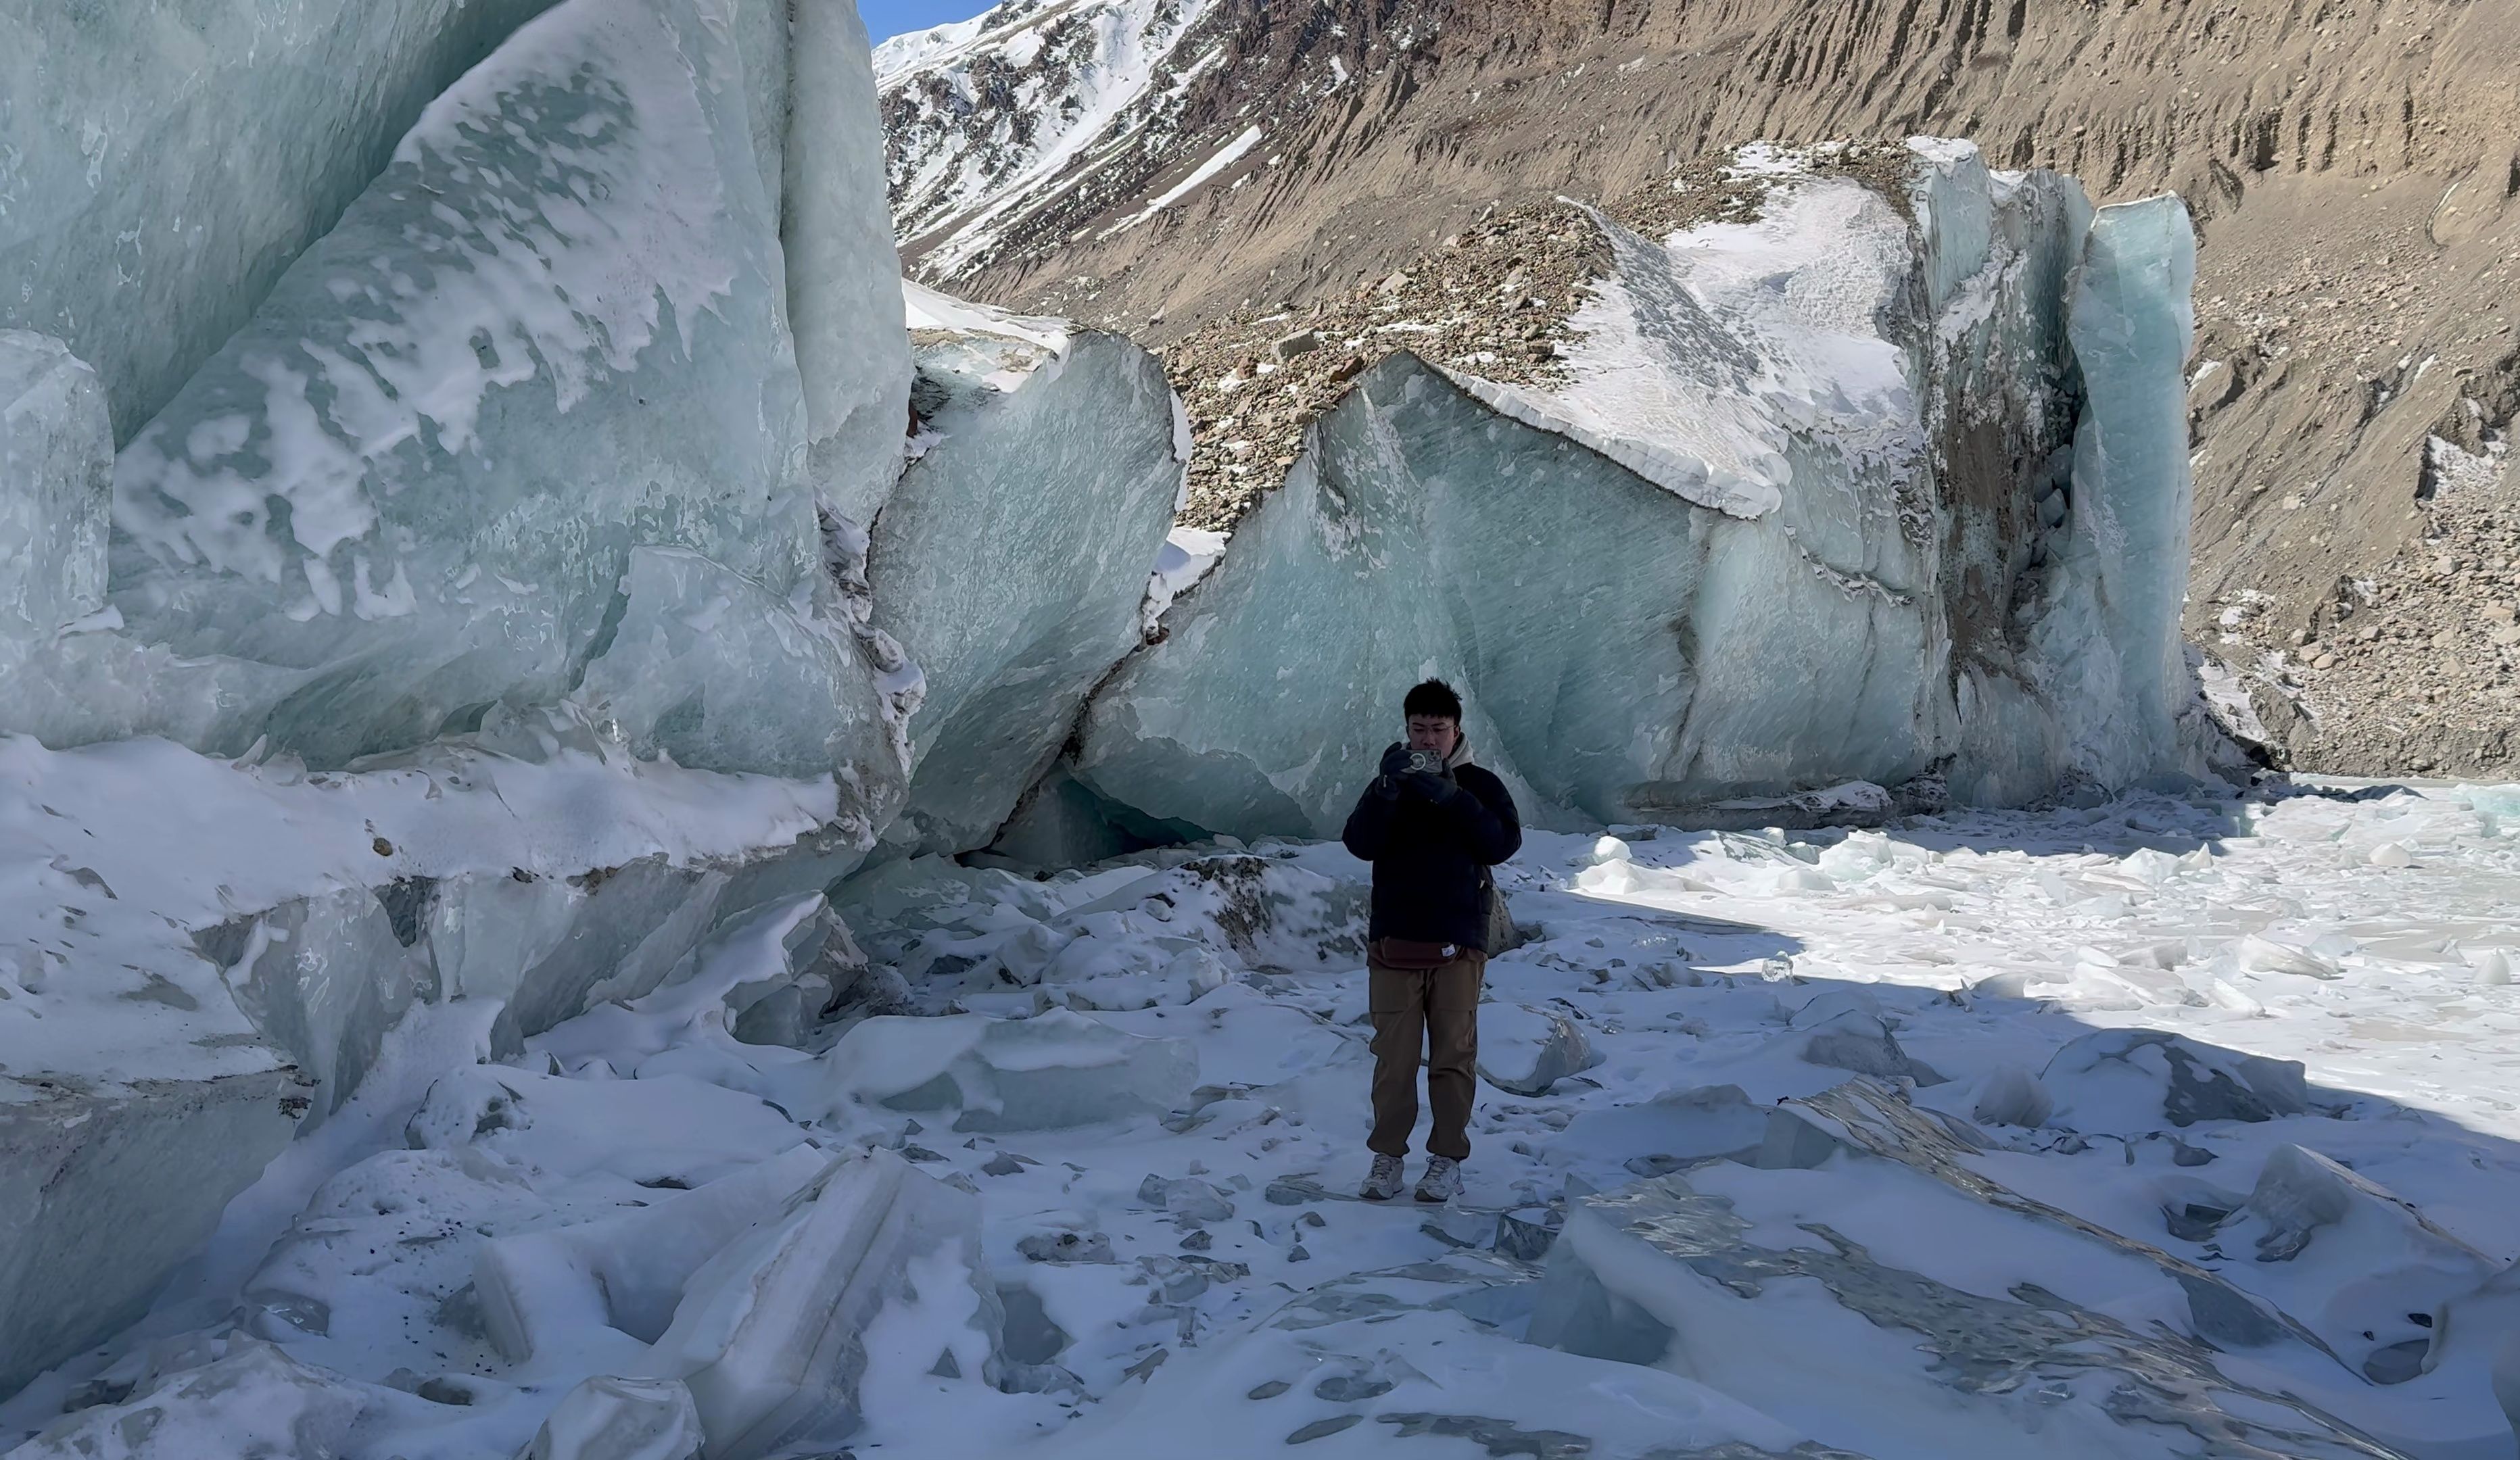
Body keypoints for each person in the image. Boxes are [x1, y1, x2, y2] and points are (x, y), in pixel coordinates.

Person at [1339, 679, 1521, 1202]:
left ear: (1456, 731)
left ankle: (1446, 1159)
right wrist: (1384, 792)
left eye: (1437, 730)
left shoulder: (1480, 784)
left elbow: (1502, 843)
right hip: (1395, 940)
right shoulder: (1390, 784)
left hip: (1458, 942)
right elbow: (1359, 844)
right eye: (1418, 729)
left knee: (1452, 1057)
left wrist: (1453, 798)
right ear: (1406, 731)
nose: (1427, 740)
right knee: (1392, 1059)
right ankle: (1387, 1159)